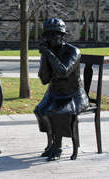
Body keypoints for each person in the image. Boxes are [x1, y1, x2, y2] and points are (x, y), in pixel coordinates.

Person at [34, 18, 89, 161]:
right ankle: (51, 144)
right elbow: (44, 80)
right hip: (54, 94)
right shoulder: (48, 52)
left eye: (54, 35)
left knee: (56, 112)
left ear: (63, 36)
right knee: (40, 110)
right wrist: (44, 58)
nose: (50, 39)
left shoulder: (73, 51)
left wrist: (49, 55)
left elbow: (63, 72)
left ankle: (58, 148)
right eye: (47, 36)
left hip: (73, 95)